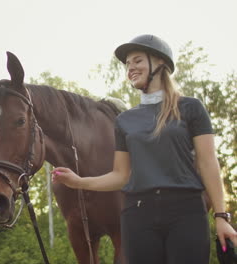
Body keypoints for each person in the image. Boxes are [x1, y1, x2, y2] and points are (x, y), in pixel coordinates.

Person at [52, 34, 237, 264]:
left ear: (160, 63)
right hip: (138, 216)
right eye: (128, 64)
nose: (130, 68)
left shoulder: (191, 108)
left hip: (187, 212)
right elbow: (121, 175)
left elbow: (207, 162)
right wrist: (78, 182)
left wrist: (221, 216)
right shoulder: (125, 120)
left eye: (137, 61)